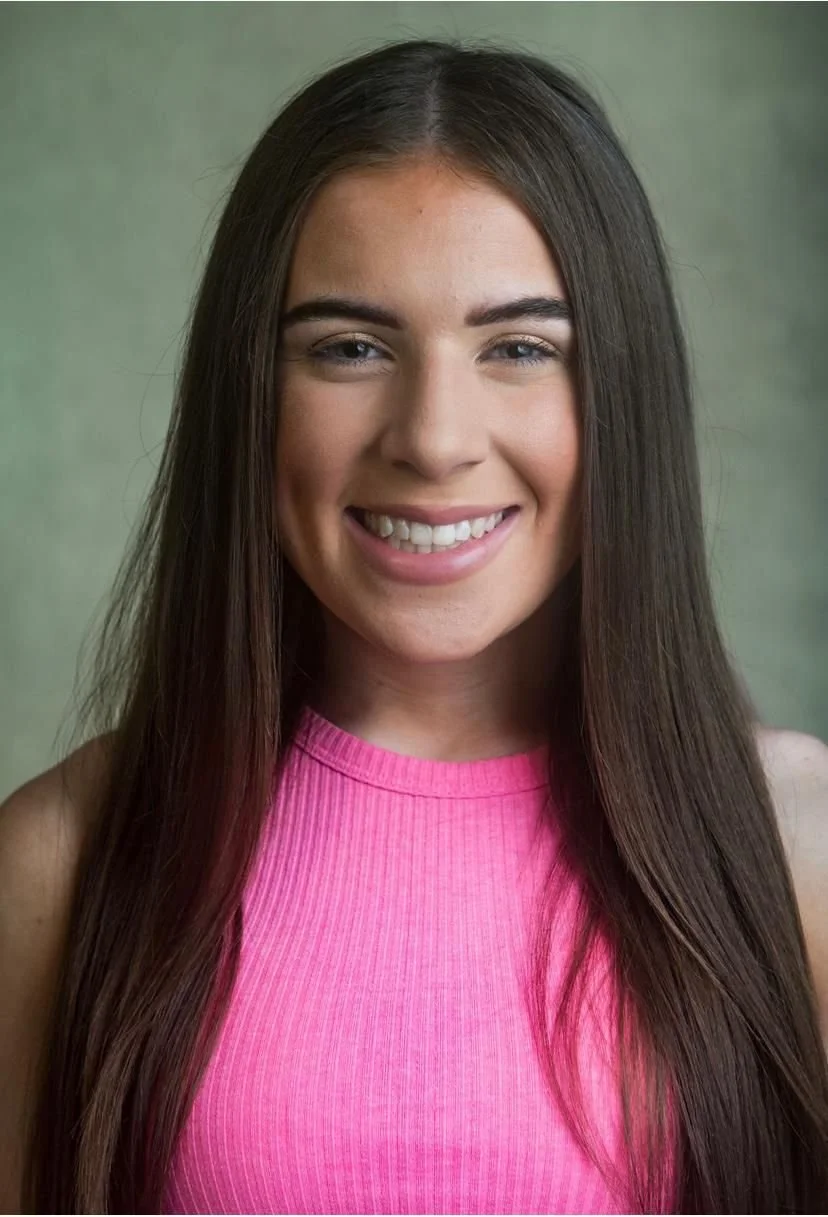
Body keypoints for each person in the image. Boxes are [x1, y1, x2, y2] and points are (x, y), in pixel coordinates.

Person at [1, 36, 827, 1214]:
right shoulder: (60, 863)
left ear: (622, 405)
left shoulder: (800, 855)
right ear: (252, 396)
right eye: (350, 347)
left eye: (521, 349)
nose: (433, 437)